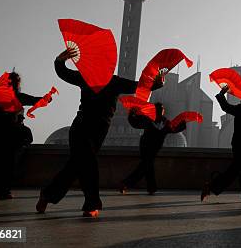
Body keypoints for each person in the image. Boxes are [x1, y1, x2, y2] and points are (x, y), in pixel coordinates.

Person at [36, 47, 162, 217]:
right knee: (88, 163)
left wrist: (157, 83)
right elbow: (64, 73)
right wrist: (60, 60)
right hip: (83, 126)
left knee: (75, 165)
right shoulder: (95, 79)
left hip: (96, 130)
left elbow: (139, 86)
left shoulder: (110, 81)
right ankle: (91, 204)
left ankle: (48, 194)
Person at [0, 72, 43, 200]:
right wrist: (46, 98)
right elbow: (35, 100)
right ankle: (3, 191)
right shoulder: (11, 95)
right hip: (7, 133)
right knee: (6, 164)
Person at [119, 103, 186, 195]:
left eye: (162, 109)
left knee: (147, 166)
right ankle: (127, 184)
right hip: (145, 146)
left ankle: (150, 187)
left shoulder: (165, 123)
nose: (160, 111)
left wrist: (182, 125)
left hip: (155, 147)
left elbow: (173, 129)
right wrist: (131, 114)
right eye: (158, 109)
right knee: (146, 165)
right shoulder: (147, 119)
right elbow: (135, 123)